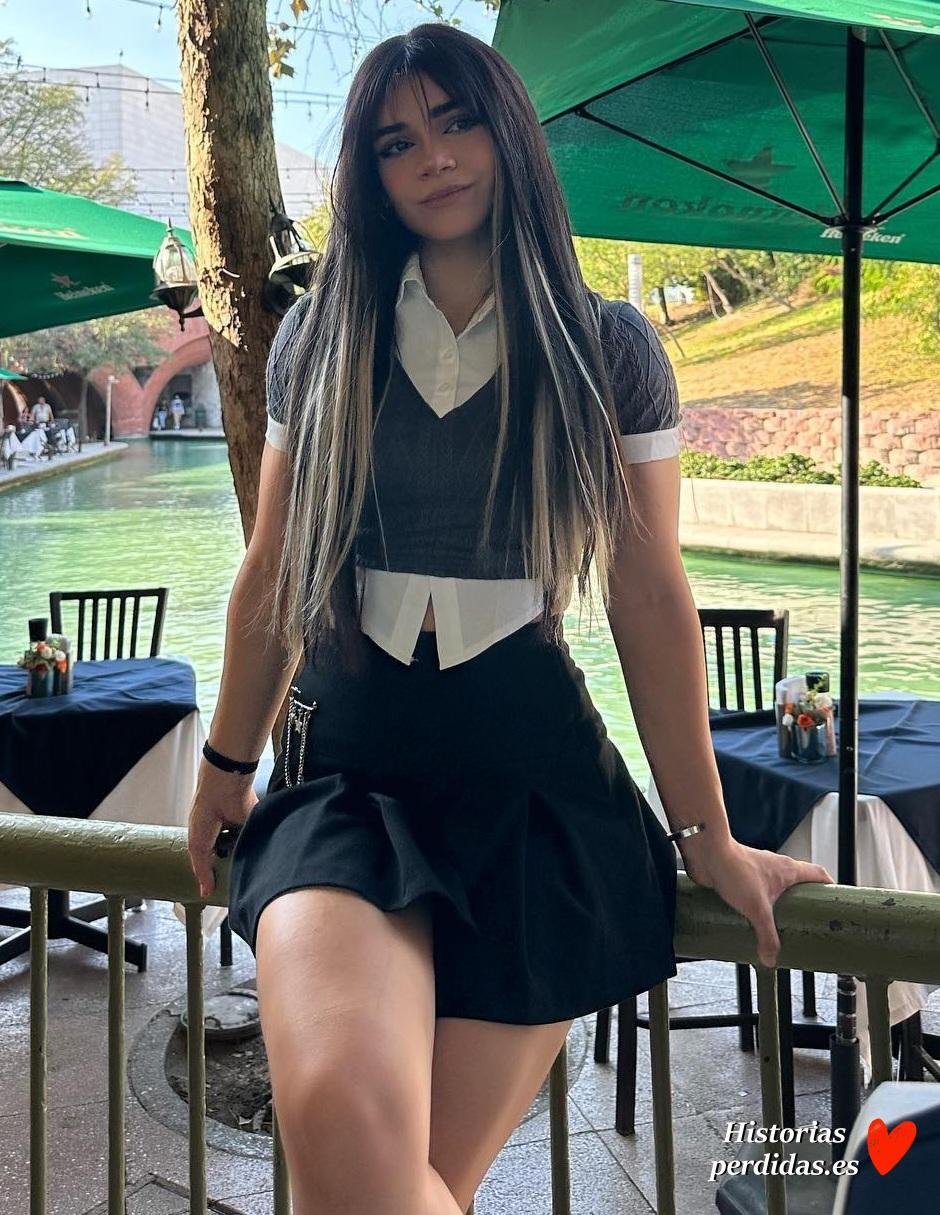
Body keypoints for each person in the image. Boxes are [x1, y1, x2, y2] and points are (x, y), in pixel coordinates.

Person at [186, 24, 833, 1215]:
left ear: (507, 134)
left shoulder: (606, 345)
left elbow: (647, 593)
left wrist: (705, 833)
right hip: (347, 782)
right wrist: (225, 766)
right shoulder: (319, 338)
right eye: (396, 141)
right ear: (370, 174)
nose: (432, 157)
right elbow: (272, 573)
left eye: (457, 122)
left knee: (387, 1190)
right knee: (343, 1127)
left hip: (540, 797)